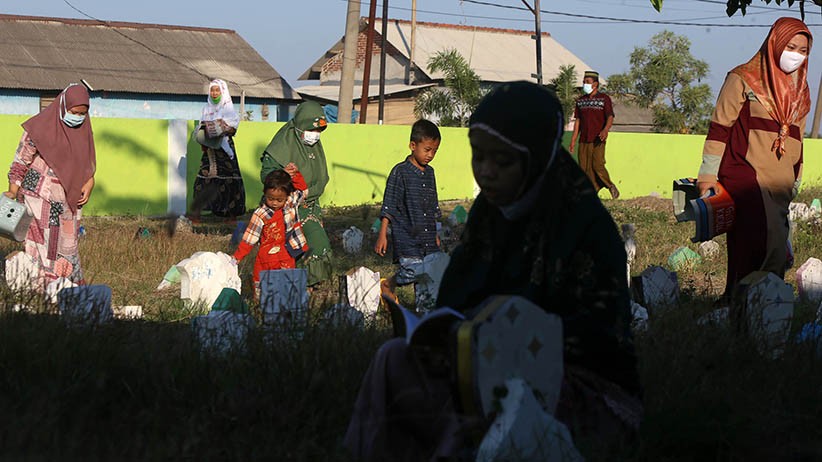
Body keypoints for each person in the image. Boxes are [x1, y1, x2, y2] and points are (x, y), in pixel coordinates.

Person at [345, 82, 640, 461]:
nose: (486, 172)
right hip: (483, 364)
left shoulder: (585, 230)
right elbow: (457, 299)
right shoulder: (490, 215)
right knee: (393, 359)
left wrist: (493, 345)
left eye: (501, 161)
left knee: (492, 404)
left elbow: (589, 344)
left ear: (535, 158)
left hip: (579, 388)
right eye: (478, 156)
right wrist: (442, 335)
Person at [696, 17, 811, 298]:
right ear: (775, 42)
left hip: (781, 181)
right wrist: (708, 174)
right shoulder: (742, 79)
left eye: (803, 50)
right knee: (759, 240)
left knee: (772, 246)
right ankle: (743, 307)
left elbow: (798, 139)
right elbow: (720, 127)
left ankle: (760, 309)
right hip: (745, 174)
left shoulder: (801, 92)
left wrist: (796, 178)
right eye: (790, 46)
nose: (795, 55)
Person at [5, 83, 96, 287]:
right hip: (39, 199)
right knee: (41, 248)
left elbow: (86, 164)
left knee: (67, 247)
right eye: (74, 112)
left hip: (68, 202)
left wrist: (90, 181)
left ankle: (65, 291)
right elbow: (21, 160)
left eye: (83, 113)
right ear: (63, 106)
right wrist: (13, 189)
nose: (78, 117)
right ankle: (39, 292)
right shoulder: (39, 128)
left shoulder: (83, 132)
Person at [260, 101, 331, 286]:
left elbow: (322, 178)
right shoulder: (281, 146)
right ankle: (290, 288)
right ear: (299, 126)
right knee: (286, 251)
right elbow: (266, 176)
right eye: (311, 130)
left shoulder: (315, 147)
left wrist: (308, 192)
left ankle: (309, 286)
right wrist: (283, 174)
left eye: (318, 132)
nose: (315, 136)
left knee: (318, 245)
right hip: (283, 210)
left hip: (310, 207)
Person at [374, 119, 442, 305]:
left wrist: (436, 230)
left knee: (428, 275)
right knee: (412, 271)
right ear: (413, 145)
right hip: (407, 236)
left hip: (428, 236)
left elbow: (434, 204)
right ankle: (389, 284)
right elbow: (389, 203)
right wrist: (383, 234)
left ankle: (423, 312)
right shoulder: (400, 172)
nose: (430, 155)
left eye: (434, 151)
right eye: (427, 149)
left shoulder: (430, 173)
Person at [232, 163, 308, 298]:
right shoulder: (260, 214)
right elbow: (250, 238)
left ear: (287, 195)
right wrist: (236, 258)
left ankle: (285, 308)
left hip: (286, 254)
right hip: (265, 257)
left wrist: (295, 174)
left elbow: (303, 191)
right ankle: (261, 308)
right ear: (264, 193)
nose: (274, 203)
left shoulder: (290, 202)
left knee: (286, 285)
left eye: (279, 200)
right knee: (261, 285)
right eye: (270, 198)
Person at [191, 78, 246, 221]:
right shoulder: (206, 109)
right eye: (212, 90)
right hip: (209, 149)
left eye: (217, 90)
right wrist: (203, 138)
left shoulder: (229, 110)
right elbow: (202, 127)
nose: (214, 93)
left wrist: (222, 128)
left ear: (223, 92)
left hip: (224, 149)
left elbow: (233, 130)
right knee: (203, 180)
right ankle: (196, 214)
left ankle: (230, 215)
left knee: (229, 180)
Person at [569, 70, 619, 199]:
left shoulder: (604, 99)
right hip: (584, 139)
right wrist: (574, 139)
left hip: (598, 138)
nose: (584, 84)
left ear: (595, 84)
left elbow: (610, 116)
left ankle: (610, 186)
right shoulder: (580, 101)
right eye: (584, 82)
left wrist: (605, 130)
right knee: (584, 168)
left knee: (597, 165)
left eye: (587, 82)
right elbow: (578, 121)